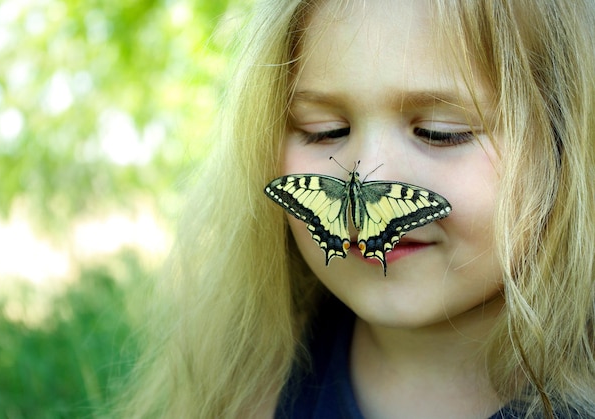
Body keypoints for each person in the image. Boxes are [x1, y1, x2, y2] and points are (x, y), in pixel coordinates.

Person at [114, 0, 595, 417]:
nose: (370, 175)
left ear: (566, 147)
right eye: (323, 130)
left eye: (441, 131)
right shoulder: (254, 395)